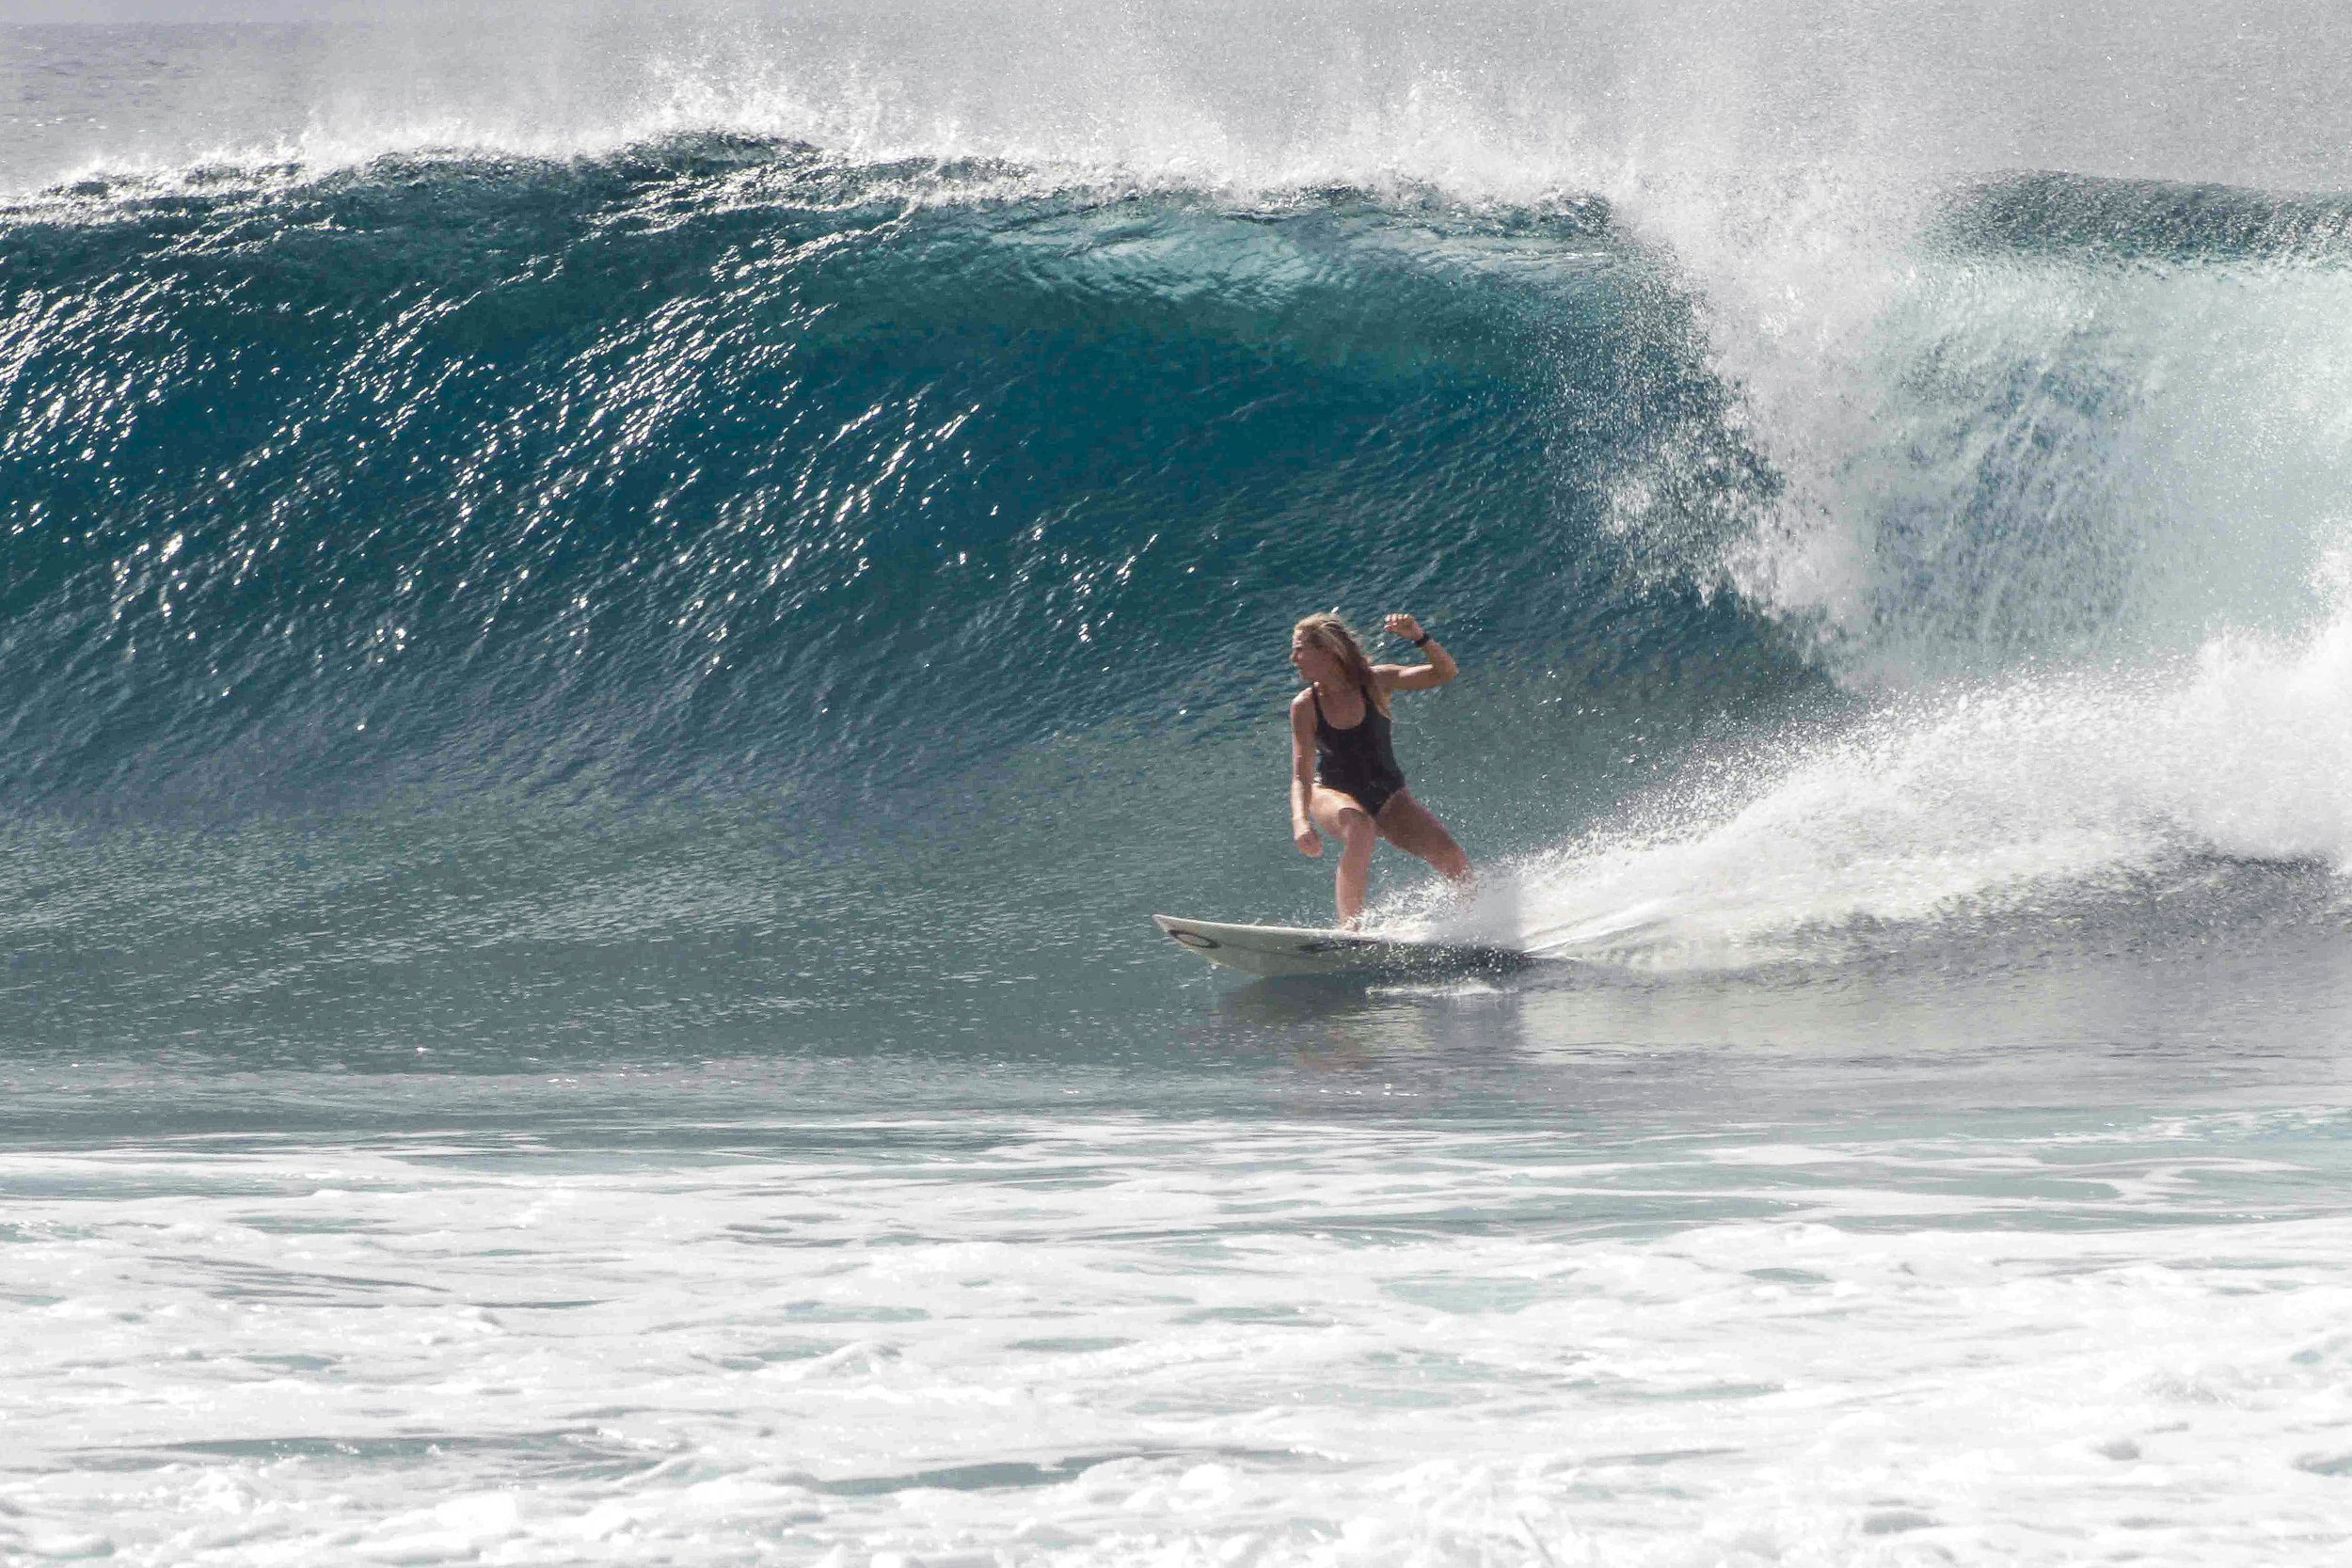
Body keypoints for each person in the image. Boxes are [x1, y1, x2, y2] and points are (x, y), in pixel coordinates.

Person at [1288, 610, 1471, 926]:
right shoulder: (1305, 706)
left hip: (1388, 794)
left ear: (1327, 651)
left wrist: (1419, 637)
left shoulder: (1375, 682)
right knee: (1359, 829)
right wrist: (1300, 821)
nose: (1293, 658)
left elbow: (1445, 673)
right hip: (1331, 791)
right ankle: (1351, 929)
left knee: (1453, 860)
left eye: (1300, 648)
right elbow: (1300, 774)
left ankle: (1473, 922)